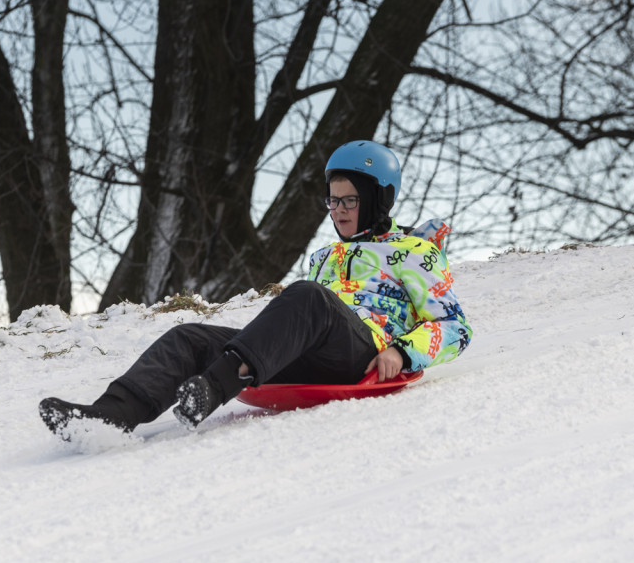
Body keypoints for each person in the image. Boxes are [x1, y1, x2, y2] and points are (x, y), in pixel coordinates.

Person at [39, 140, 472, 437]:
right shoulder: (324, 257)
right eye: (333, 200)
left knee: (305, 295)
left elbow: (455, 326)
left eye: (350, 201)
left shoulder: (415, 250)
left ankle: (216, 386)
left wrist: (402, 351)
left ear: (379, 199)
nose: (338, 211)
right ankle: (109, 417)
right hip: (308, 355)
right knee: (190, 336)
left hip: (361, 353)